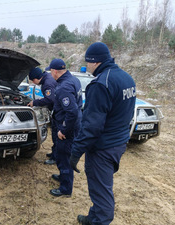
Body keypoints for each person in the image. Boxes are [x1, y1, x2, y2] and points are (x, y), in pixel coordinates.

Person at [70, 42, 136, 225]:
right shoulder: (126, 78)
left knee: (101, 189)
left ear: (94, 61)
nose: (87, 65)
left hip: (103, 148)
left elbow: (91, 126)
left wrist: (76, 152)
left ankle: (101, 220)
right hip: (118, 142)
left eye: (87, 62)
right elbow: (127, 113)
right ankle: (93, 217)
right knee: (101, 184)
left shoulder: (101, 84)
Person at [48, 58, 83, 197]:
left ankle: (65, 189)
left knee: (64, 156)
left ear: (55, 71)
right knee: (61, 154)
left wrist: (64, 130)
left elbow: (72, 112)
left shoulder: (64, 87)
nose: (50, 74)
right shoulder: (74, 79)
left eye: (50, 71)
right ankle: (63, 176)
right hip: (71, 123)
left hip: (67, 126)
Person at [27, 67, 57, 165]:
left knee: (56, 135)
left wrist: (35, 102)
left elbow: (50, 99)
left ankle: (56, 157)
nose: (33, 82)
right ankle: (55, 153)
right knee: (55, 134)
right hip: (57, 109)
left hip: (58, 111)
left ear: (36, 78)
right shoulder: (47, 78)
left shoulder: (47, 83)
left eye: (32, 80)